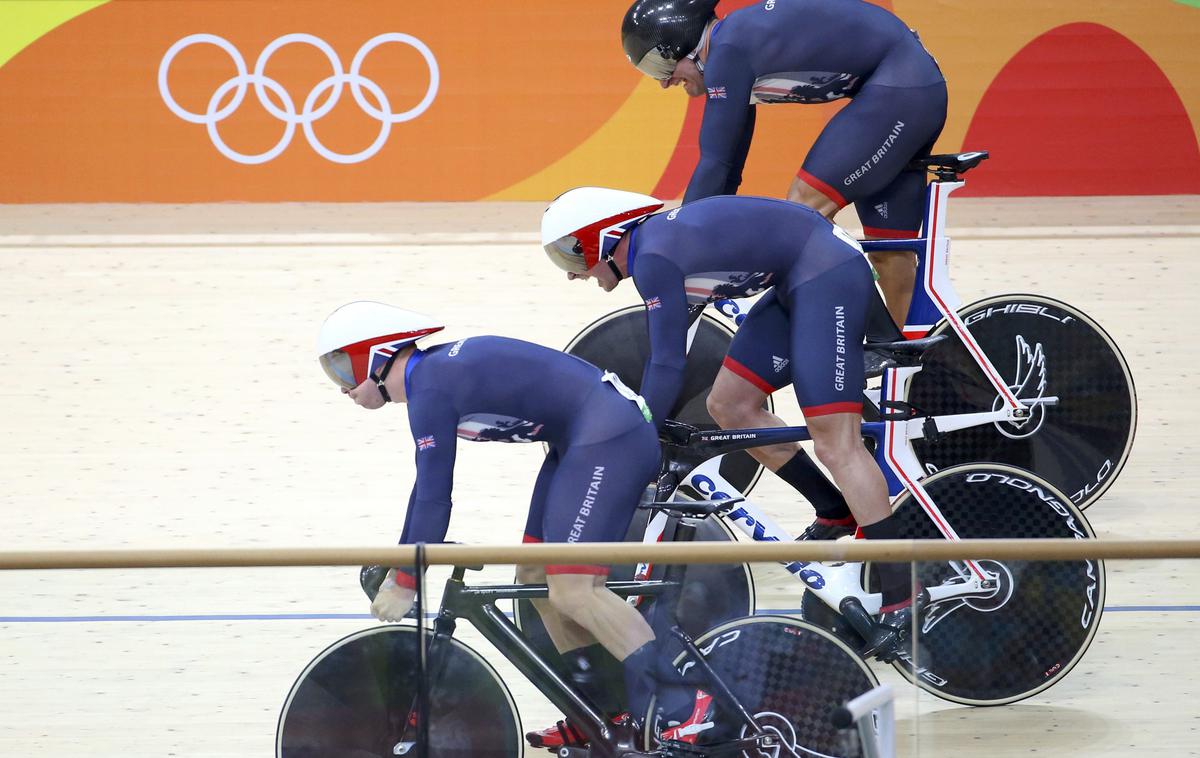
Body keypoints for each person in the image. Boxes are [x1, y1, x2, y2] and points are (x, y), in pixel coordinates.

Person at [316, 301, 712, 749]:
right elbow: (421, 494)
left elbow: (433, 495)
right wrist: (399, 563)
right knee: (535, 578)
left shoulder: (429, 386)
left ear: (376, 355)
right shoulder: (428, 382)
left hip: (609, 433)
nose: (343, 388)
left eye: (343, 370)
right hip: (581, 436)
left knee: (575, 588)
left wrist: (406, 578)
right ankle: (602, 715)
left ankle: (685, 704)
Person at [541, 187, 922, 650]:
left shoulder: (653, 258)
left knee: (835, 441)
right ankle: (835, 511)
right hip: (799, 276)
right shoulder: (654, 249)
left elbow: (666, 363)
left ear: (604, 236)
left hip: (825, 276)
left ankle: (903, 596)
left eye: (572, 255)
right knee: (730, 405)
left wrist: (637, 435)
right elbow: (669, 354)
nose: (572, 275)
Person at [621, 0, 945, 529]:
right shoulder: (731, 53)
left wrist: (681, 245)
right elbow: (728, 168)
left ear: (681, 42)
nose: (662, 82)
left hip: (899, 87)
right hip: (901, 87)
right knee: (892, 259)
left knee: (801, 218)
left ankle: (858, 352)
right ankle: (913, 384)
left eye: (660, 67)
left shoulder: (725, 51)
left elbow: (717, 162)